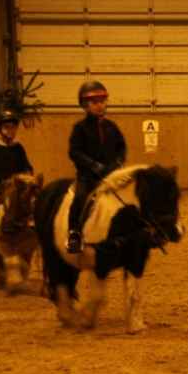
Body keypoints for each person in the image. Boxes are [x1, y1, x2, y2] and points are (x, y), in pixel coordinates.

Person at [66, 80, 126, 253]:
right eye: (94, 103)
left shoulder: (112, 127)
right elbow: (74, 152)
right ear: (85, 106)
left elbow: (121, 147)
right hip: (88, 177)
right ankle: (74, 233)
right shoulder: (80, 128)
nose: (99, 106)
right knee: (80, 198)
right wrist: (93, 165)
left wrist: (117, 163)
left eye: (102, 101)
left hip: (110, 175)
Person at [0, 110, 34, 231]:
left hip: (17, 184)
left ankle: (32, 220)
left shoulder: (18, 148)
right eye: (7, 127)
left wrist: (29, 172)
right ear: (0, 129)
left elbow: (26, 164)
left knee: (32, 197)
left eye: (13, 127)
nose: (10, 130)